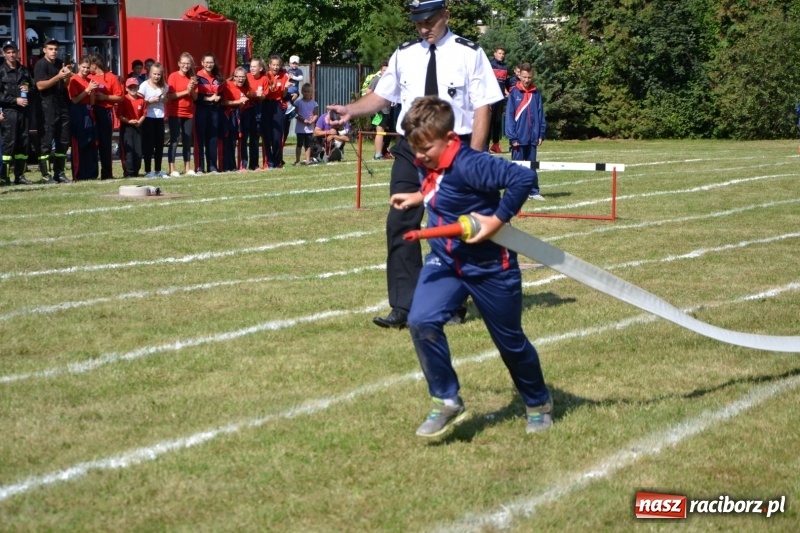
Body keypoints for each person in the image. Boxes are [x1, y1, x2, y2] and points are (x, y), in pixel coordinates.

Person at [327, 0, 503, 329]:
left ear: (446, 16)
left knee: (451, 227)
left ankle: (451, 303)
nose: (424, 27)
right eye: (418, 21)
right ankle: (404, 306)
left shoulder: (469, 53)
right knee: (401, 223)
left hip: (454, 148)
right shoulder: (405, 54)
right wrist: (352, 110)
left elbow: (483, 108)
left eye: (430, 20)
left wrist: (474, 159)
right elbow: (383, 96)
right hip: (411, 148)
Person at [390, 95, 552, 438]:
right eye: (415, 148)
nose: (419, 156)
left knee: (510, 343)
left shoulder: (473, 164)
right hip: (446, 261)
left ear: (450, 139)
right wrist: (419, 197)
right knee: (421, 320)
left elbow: (521, 180)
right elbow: (438, 182)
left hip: (491, 266)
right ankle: (446, 400)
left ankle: (538, 403)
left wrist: (495, 221)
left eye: (426, 149)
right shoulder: (427, 158)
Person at [33, 38, 73, 183]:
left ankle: (60, 173)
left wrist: (67, 75)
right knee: (46, 141)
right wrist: (58, 76)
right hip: (46, 106)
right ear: (44, 50)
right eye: (50, 49)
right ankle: (45, 175)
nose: (54, 52)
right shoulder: (41, 64)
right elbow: (40, 86)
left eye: (56, 49)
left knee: (63, 140)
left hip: (61, 104)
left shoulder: (59, 63)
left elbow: (65, 85)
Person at [505, 62, 545, 201]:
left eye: (529, 77)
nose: (527, 80)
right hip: (518, 137)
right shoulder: (514, 93)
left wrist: (541, 133)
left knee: (532, 165)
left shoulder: (536, 92)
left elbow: (540, 113)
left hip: (532, 136)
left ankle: (534, 191)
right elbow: (509, 116)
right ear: (519, 76)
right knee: (517, 166)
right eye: (524, 77)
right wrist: (512, 137)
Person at [0, 40, 33, 185]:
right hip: (9, 111)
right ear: (3, 54)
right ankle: (4, 177)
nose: (11, 55)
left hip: (23, 112)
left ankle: (19, 176)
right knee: (8, 144)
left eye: (14, 52)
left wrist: (28, 89)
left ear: (18, 52)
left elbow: (31, 86)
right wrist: (15, 100)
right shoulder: (1, 71)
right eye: (8, 52)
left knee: (23, 144)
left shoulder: (24, 70)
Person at [89, 55, 124, 180]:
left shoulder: (110, 77)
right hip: (91, 111)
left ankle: (107, 173)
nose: (88, 68)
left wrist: (105, 97)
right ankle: (92, 173)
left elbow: (119, 97)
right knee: (92, 143)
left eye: (90, 65)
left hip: (105, 111)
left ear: (95, 65)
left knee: (105, 144)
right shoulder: (89, 77)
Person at [67, 56, 99, 180]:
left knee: (90, 143)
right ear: (79, 66)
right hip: (78, 112)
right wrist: (88, 90)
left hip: (88, 112)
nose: (85, 70)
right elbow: (75, 100)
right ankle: (79, 174)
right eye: (83, 67)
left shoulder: (89, 80)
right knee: (79, 144)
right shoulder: (74, 79)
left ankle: (90, 173)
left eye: (87, 67)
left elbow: (92, 102)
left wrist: (92, 91)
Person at [167, 52, 198, 176]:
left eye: (188, 63)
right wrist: (186, 91)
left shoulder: (192, 78)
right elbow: (170, 96)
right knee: (174, 140)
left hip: (189, 113)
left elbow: (195, 97)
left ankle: (187, 168)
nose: (186, 66)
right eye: (183, 63)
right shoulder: (173, 76)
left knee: (187, 140)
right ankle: (172, 168)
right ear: (179, 64)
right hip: (175, 112)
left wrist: (191, 89)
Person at [194, 52, 224, 174]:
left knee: (212, 139)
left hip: (214, 111)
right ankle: (199, 167)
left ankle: (212, 166)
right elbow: (195, 97)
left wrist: (218, 98)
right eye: (206, 62)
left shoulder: (218, 77)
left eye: (211, 62)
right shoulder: (197, 77)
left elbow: (222, 93)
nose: (209, 64)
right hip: (201, 109)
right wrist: (208, 98)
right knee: (200, 139)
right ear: (202, 63)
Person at [138, 61, 168, 178]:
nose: (156, 76)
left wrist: (163, 98)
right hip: (148, 118)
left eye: (159, 74)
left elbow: (167, 100)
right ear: (150, 74)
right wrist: (150, 101)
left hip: (159, 117)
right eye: (154, 74)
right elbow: (138, 102)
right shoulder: (144, 85)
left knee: (160, 145)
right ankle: (148, 170)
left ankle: (158, 169)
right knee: (148, 145)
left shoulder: (164, 85)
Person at [221, 66, 251, 171]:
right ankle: (229, 166)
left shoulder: (245, 87)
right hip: (229, 115)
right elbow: (223, 102)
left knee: (242, 140)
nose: (241, 79)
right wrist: (238, 102)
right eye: (238, 77)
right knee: (230, 141)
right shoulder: (227, 85)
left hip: (242, 115)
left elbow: (242, 104)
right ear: (234, 77)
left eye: (243, 77)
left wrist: (241, 104)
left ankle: (242, 165)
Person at [263, 54, 289, 168]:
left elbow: (283, 95)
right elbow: (265, 92)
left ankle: (278, 161)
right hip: (265, 104)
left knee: (277, 135)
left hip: (277, 105)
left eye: (278, 65)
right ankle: (269, 162)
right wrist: (271, 87)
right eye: (273, 65)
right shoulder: (266, 76)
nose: (275, 67)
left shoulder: (284, 76)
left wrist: (286, 87)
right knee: (267, 134)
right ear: (269, 65)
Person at [366, 60, 395, 160]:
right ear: (380, 71)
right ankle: (377, 155)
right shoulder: (377, 80)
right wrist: (376, 104)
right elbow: (368, 92)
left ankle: (382, 152)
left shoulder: (391, 81)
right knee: (380, 131)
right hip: (379, 111)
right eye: (383, 70)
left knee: (387, 131)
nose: (385, 72)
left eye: (387, 70)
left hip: (387, 109)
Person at [117, 77, 146, 177]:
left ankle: (136, 171)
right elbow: (119, 115)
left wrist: (139, 122)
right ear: (126, 88)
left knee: (138, 150)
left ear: (138, 87)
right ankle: (128, 172)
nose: (133, 89)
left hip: (138, 127)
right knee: (128, 151)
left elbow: (144, 113)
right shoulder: (124, 99)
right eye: (130, 87)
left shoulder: (141, 100)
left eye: (135, 87)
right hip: (127, 128)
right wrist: (129, 121)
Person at [246, 58, 269, 170]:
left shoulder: (264, 79)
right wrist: (255, 94)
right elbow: (244, 93)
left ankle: (255, 164)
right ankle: (244, 164)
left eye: (254, 66)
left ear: (260, 68)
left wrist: (260, 96)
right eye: (251, 66)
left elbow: (265, 95)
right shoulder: (246, 77)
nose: (252, 68)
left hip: (259, 109)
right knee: (247, 138)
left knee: (256, 137)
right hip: (246, 107)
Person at [488, 46, 510, 154]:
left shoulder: (505, 67)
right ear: (495, 54)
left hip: (500, 98)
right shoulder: (490, 65)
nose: (501, 55)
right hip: (491, 97)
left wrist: (507, 92)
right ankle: (485, 145)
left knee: (497, 122)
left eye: (503, 53)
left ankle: (495, 144)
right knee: (489, 122)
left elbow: (504, 83)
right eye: (499, 53)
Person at [293, 83, 318, 166]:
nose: (306, 93)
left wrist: (312, 121)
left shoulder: (314, 103)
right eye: (305, 91)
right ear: (302, 92)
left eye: (308, 91)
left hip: (309, 128)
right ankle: (297, 160)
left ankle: (307, 160)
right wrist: (303, 120)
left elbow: (315, 114)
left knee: (308, 145)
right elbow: (295, 114)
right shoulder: (298, 102)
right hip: (300, 128)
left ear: (311, 92)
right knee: (299, 144)